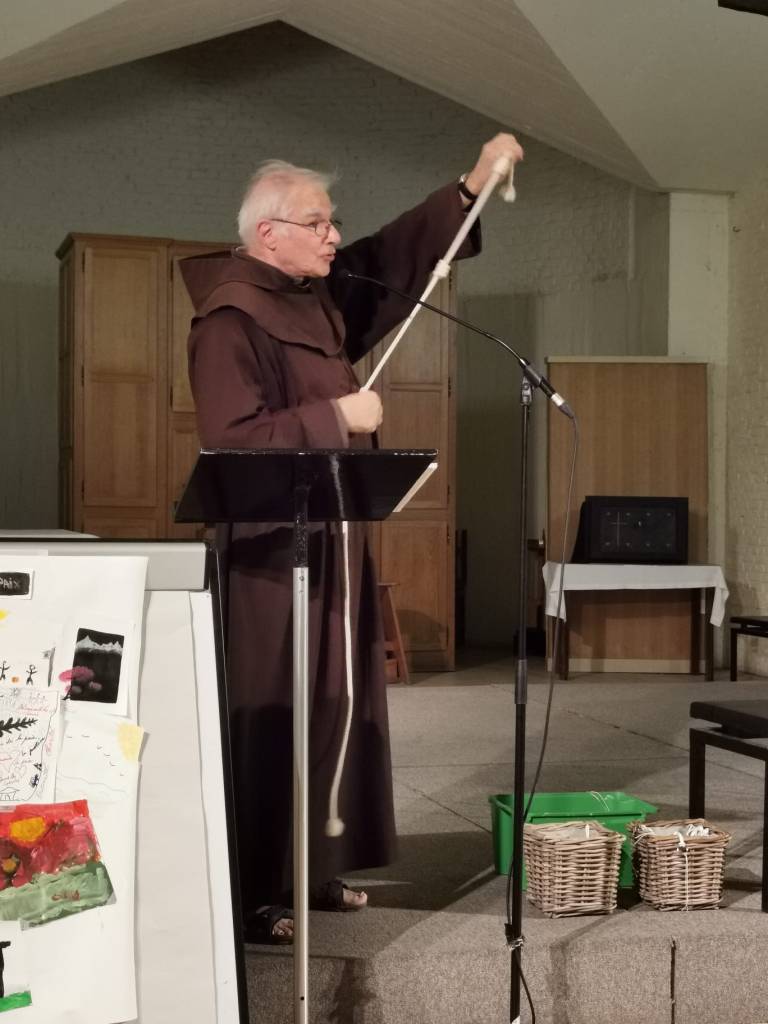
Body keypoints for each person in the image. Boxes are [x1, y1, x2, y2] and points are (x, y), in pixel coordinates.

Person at [181, 133, 524, 944]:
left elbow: (392, 258)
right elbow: (230, 437)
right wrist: (336, 416)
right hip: (270, 556)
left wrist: (471, 184)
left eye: (331, 221)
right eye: (318, 223)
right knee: (275, 711)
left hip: (332, 538)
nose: (334, 235)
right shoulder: (228, 319)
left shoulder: (317, 297)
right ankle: (256, 886)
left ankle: (313, 865)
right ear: (269, 233)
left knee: (335, 704)